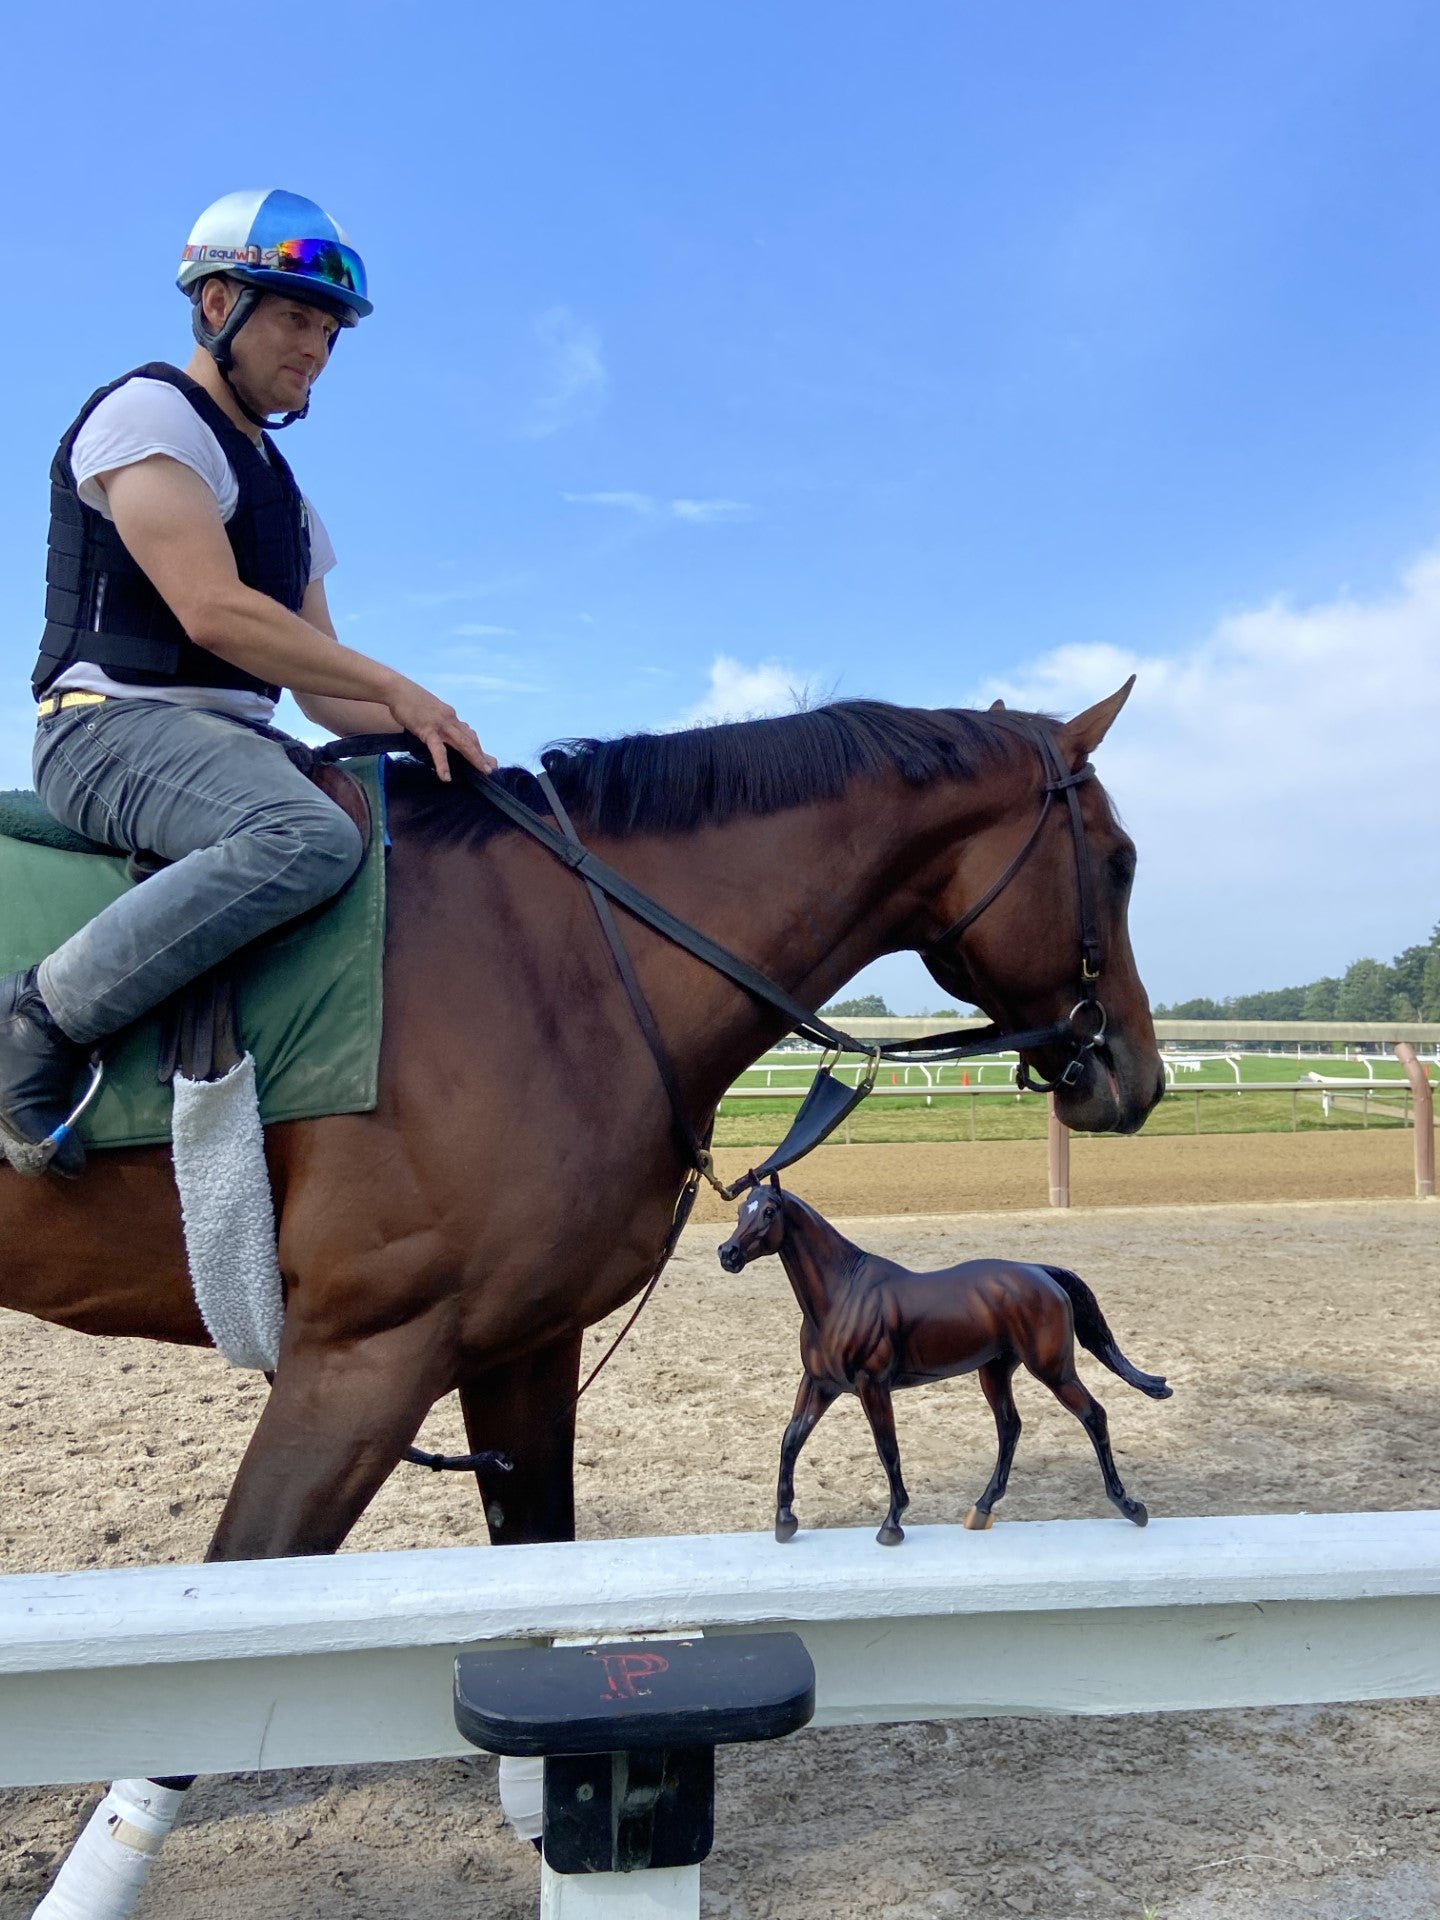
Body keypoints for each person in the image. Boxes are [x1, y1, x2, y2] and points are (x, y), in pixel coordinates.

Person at [0, 189, 496, 1178]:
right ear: (219, 303)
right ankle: (37, 1018)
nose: (315, 350)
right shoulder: (146, 415)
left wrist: (438, 739)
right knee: (307, 832)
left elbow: (322, 692)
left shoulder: (292, 502)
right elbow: (212, 612)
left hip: (233, 744)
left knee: (411, 818)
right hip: (109, 733)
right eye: (295, 319)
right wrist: (399, 688)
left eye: (328, 331)